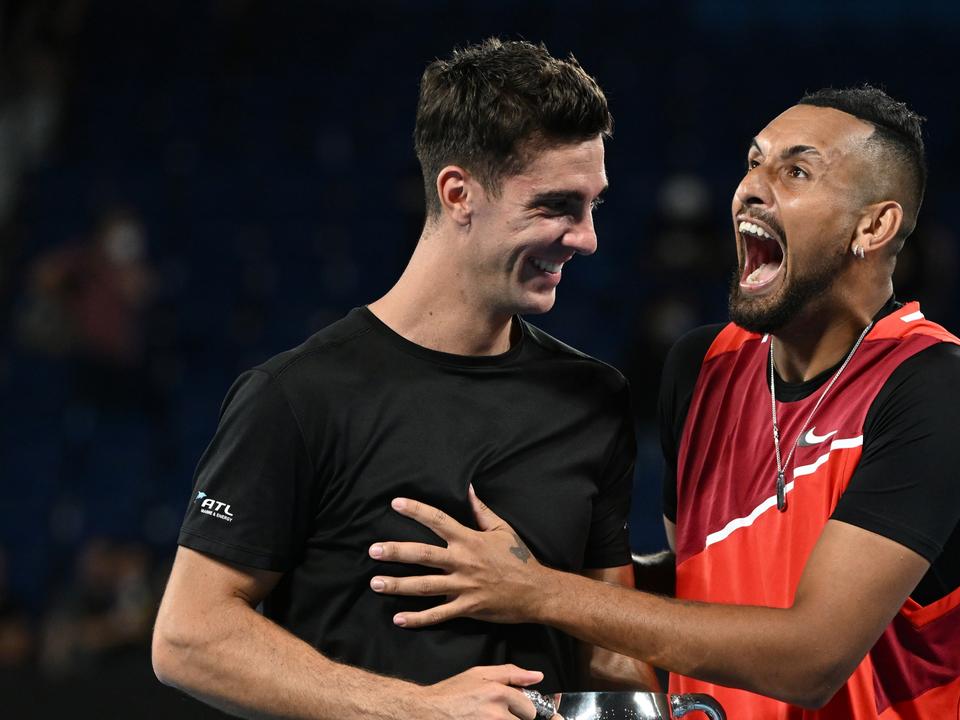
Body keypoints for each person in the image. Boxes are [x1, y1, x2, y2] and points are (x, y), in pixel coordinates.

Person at [370, 86, 960, 718]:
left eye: (795, 170)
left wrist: (537, 589)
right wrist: (558, 556)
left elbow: (811, 658)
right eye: (753, 161)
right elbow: (699, 588)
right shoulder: (702, 369)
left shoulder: (935, 387)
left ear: (874, 225)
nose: (753, 187)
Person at [152, 38, 654, 720]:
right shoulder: (297, 396)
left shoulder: (594, 398)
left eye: (593, 205)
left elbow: (608, 649)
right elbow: (189, 636)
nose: (587, 237)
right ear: (458, 194)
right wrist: (416, 709)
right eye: (557, 206)